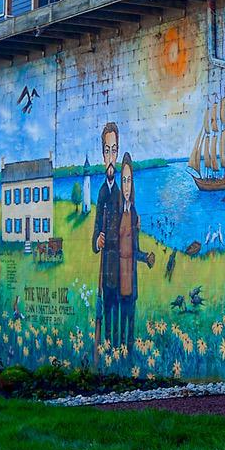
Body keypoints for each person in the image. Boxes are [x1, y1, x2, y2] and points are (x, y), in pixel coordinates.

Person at [114, 154, 156, 346]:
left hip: (131, 279)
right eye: (123, 180)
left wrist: (146, 257)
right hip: (118, 279)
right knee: (120, 322)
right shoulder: (116, 213)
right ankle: (119, 351)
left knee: (130, 322)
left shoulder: (134, 214)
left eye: (129, 180)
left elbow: (135, 250)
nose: (126, 186)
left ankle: (129, 351)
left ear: (133, 183)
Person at [90, 122, 121, 346]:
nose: (111, 157)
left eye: (114, 150)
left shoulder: (122, 193)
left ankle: (118, 350)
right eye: (107, 151)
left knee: (119, 312)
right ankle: (108, 349)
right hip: (106, 266)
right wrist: (97, 241)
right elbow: (95, 230)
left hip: (121, 266)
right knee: (106, 312)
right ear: (103, 155)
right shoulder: (102, 193)